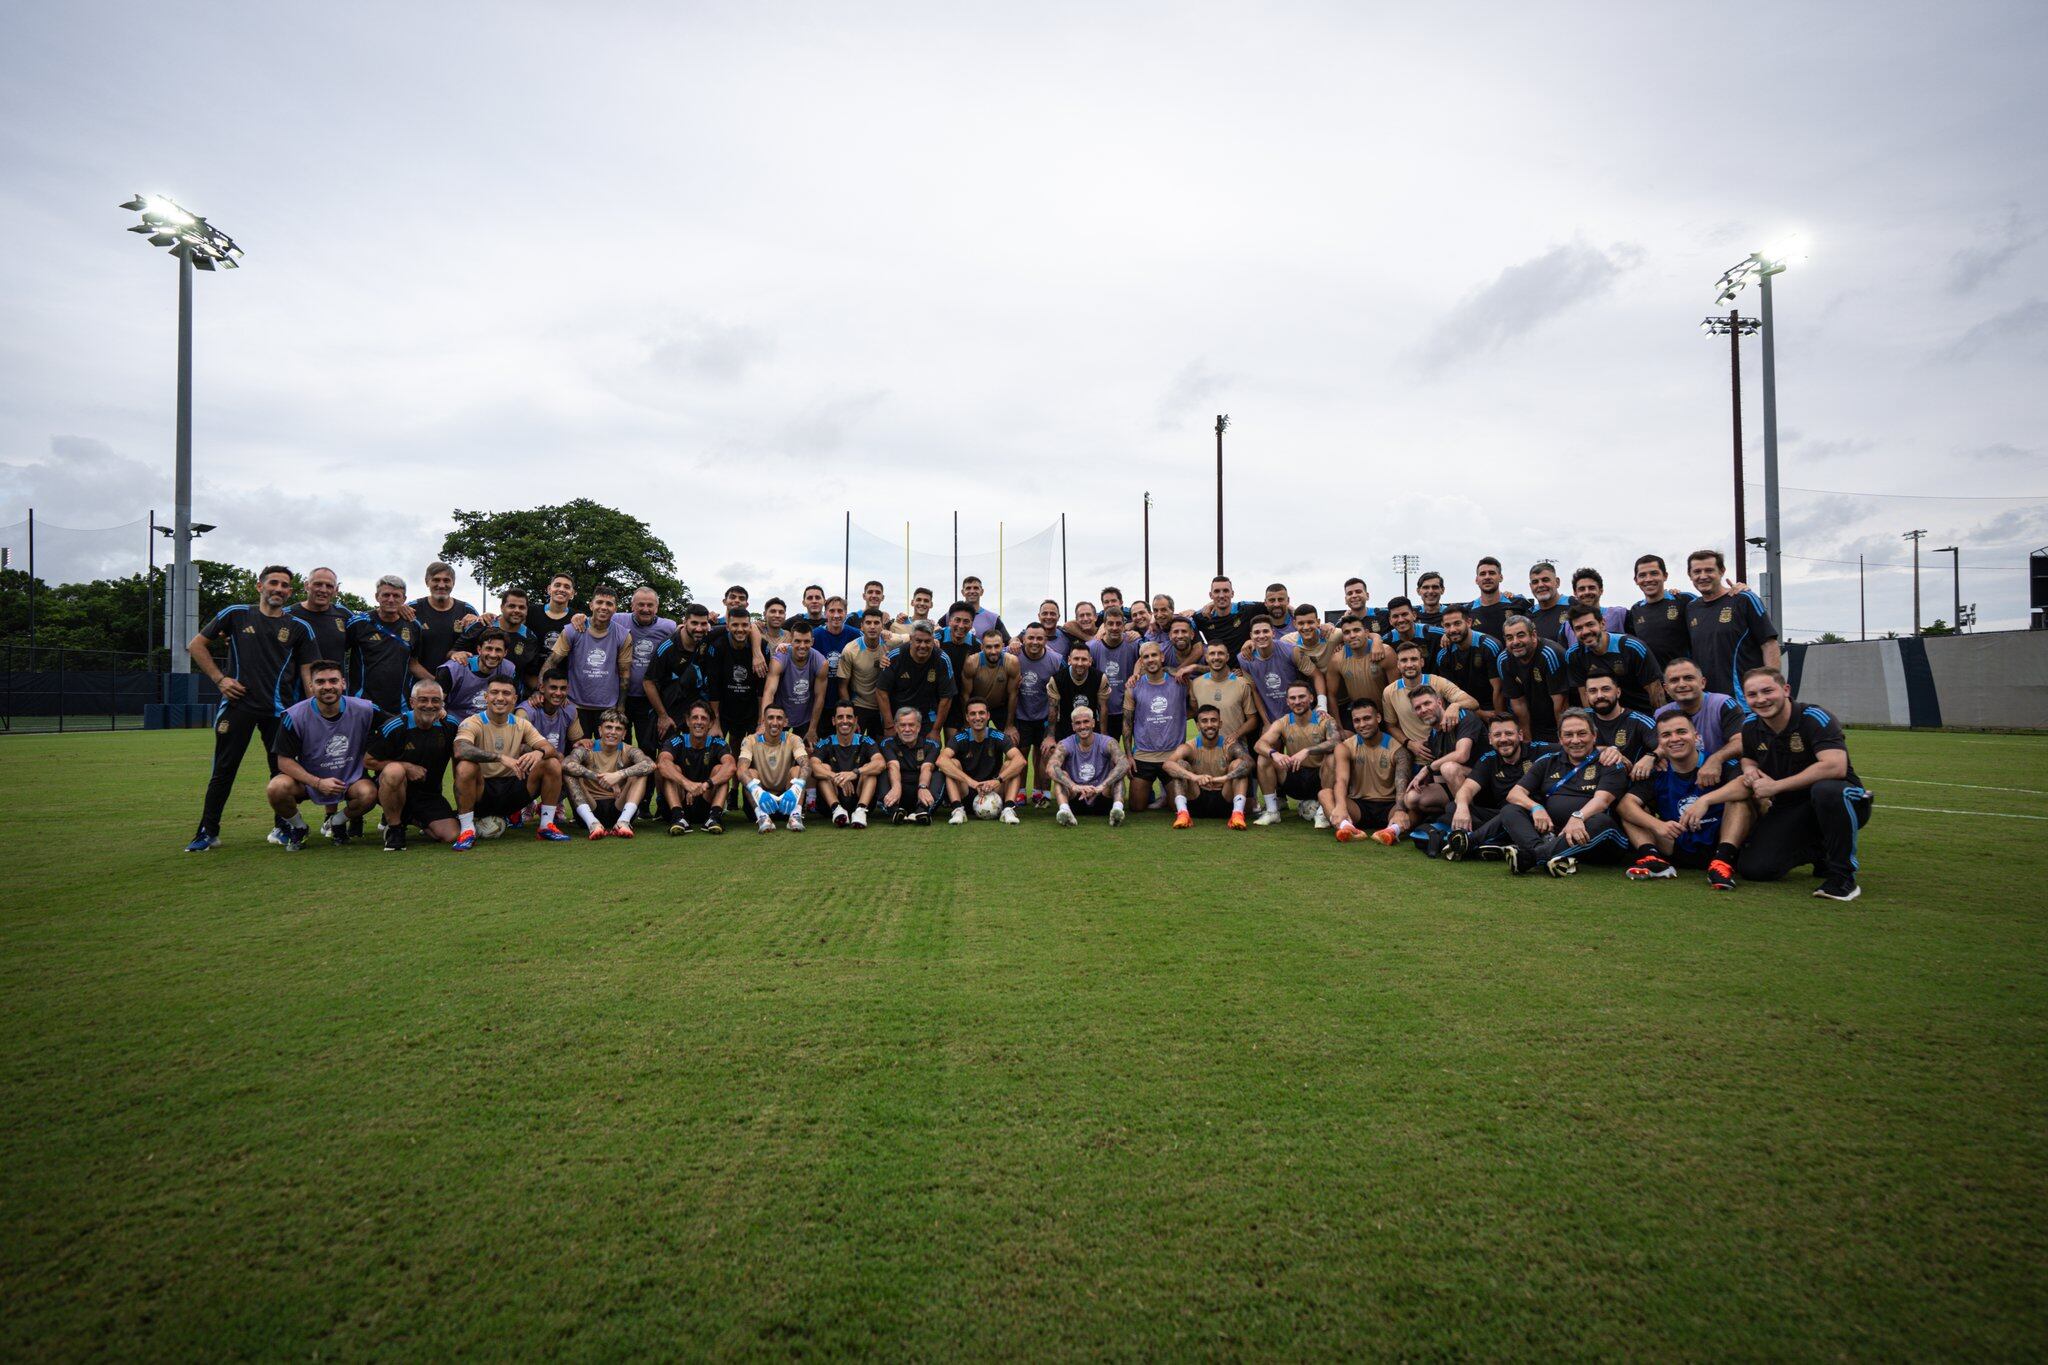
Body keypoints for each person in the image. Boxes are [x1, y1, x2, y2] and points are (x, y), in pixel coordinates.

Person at [184, 565, 319, 852]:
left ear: (290, 592)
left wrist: (311, 711)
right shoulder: (236, 614)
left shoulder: (298, 627)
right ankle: (208, 831)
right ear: (260, 586)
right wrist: (220, 680)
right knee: (223, 770)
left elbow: (308, 673)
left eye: (285, 586)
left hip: (279, 711)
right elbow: (196, 645)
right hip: (237, 705)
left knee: (281, 773)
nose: (279, 589)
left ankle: (283, 827)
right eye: (274, 583)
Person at [1734, 669, 1873, 901]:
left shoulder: (1814, 717)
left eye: (1768, 690)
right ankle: (1820, 851)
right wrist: (1749, 770)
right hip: (1792, 807)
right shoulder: (1750, 724)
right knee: (1755, 869)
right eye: (1752, 694)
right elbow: (1748, 757)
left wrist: (1776, 787)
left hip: (1843, 801)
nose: (1761, 699)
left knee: (1825, 790)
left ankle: (1843, 877)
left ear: (1786, 690)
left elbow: (1834, 766)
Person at [1616, 710, 1751, 890]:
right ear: (1660, 743)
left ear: (1696, 736)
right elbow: (1625, 805)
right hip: (1677, 843)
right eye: (1666, 735)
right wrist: (1659, 826)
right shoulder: (1659, 771)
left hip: (1719, 842)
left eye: (1681, 732)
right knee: (1631, 812)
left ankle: (1721, 864)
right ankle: (1653, 859)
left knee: (1740, 801)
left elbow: (1747, 786)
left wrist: (1706, 800)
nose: (1674, 739)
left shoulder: (1715, 764)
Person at [265, 660, 384, 849]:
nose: (327, 687)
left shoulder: (365, 709)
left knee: (368, 794)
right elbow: (283, 761)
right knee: (276, 789)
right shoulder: (294, 716)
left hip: (350, 780)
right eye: (320, 682)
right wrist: (317, 783)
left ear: (343, 683)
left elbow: (397, 726)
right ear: (311, 686)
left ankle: (337, 822)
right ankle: (299, 827)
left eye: (333, 681)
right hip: (310, 780)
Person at [1497, 709, 1630, 876]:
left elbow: (1602, 801)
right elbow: (1514, 794)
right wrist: (1536, 807)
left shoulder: (1609, 761)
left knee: (1600, 821)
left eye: (1582, 733)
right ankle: (1550, 855)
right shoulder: (1548, 761)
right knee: (1510, 810)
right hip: (1558, 836)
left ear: (1594, 736)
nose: (1575, 740)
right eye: (1568, 735)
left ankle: (1531, 857)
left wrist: (1578, 817)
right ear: (1560, 739)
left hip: (1599, 839)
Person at [452, 677, 567, 848]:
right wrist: (499, 757)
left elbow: (549, 748)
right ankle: (467, 830)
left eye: (506, 693)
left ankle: (546, 826)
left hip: (513, 788)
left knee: (551, 763)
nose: (500, 698)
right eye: (494, 692)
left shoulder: (521, 724)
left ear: (514, 699)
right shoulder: (473, 722)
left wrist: (539, 751)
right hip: (482, 791)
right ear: (486, 697)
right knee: (465, 766)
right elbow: (461, 750)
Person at [371, 677, 462, 851]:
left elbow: (457, 760)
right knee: (395, 771)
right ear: (412, 702)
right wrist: (406, 766)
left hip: (429, 795)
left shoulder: (450, 725)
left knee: (451, 835)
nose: (429, 705)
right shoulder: (396, 726)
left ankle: (411, 817)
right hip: (394, 787)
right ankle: (395, 828)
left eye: (435, 700)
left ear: (442, 703)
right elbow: (368, 760)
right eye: (423, 700)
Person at [1443, 716, 1549, 861]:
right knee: (1452, 807)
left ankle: (1470, 842)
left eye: (1509, 734)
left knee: (1510, 811)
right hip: (1501, 816)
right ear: (1490, 739)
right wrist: (1462, 807)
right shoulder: (1488, 759)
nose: (1503, 739)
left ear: (1520, 735)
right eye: (1497, 735)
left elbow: (1568, 750)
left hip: (1533, 813)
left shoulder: (1540, 750)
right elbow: (1467, 789)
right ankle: (1505, 841)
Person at [1687, 549, 1782, 702]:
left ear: (1722, 571)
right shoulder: (1691, 607)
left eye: (1709, 570)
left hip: (1744, 699)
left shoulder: (1743, 599)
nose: (1703, 576)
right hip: (1707, 701)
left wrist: (1772, 687)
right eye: (1697, 571)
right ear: (1690, 575)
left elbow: (1769, 644)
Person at [1398, 684, 1486, 846]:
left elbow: (1462, 754)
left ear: (1439, 703)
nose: (1423, 710)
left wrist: (1428, 767)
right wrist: (1427, 780)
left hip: (1485, 785)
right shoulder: (1433, 736)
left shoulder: (1464, 716)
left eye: (1427, 704)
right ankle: (1452, 817)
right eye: (1418, 707)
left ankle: (1471, 825)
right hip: (1459, 787)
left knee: (1449, 767)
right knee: (1411, 798)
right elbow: (1440, 781)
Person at [546, 585, 634, 739]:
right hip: (575, 705)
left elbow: (625, 674)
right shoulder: (573, 629)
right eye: (599, 602)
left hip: (608, 707)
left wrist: (620, 707)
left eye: (609, 604)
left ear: (615, 609)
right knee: (576, 753)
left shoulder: (623, 635)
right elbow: (551, 662)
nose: (604, 607)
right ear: (591, 605)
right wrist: (543, 692)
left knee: (607, 755)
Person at [1253, 682, 1338, 827]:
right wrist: (1275, 754)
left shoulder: (1325, 720)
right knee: (1263, 758)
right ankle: (1272, 811)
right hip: (1293, 776)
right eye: (1292, 698)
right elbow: (1259, 744)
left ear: (1311, 698)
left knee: (1332, 758)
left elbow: (1336, 741)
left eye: (1301, 697)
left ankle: (1323, 813)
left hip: (1319, 779)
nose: (1297, 702)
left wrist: (1307, 750)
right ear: (1287, 701)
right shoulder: (1283, 721)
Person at [1327, 699, 1411, 844]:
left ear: (1378, 718)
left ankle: (1392, 831)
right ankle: (1347, 828)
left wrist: (1399, 810)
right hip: (1359, 806)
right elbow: (1341, 780)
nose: (1362, 724)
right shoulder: (1345, 747)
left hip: (1389, 806)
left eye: (1367, 718)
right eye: (1357, 720)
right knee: (1325, 794)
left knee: (1413, 801)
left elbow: (1401, 786)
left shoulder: (1398, 750)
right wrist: (1341, 806)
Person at [344, 574, 433, 713]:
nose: (391, 600)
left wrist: (438, 682)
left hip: (400, 705)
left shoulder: (414, 626)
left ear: (404, 599)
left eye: (396, 595)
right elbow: (338, 653)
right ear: (377, 597)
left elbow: (413, 663)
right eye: (386, 595)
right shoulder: (358, 623)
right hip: (362, 703)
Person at [1380, 641, 1480, 762]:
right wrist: (1409, 744)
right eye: (1404, 660)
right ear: (1398, 665)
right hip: (1417, 757)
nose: (1409, 664)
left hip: (1447, 752)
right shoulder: (1389, 692)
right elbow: (1390, 726)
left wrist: (1455, 705)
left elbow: (1472, 702)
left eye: (1414, 659)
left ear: (1421, 662)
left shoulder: (1438, 682)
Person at [564, 709, 655, 839]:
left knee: (640, 772)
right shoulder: (586, 749)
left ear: (624, 734)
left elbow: (650, 764)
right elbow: (566, 765)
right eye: (608, 727)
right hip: (591, 806)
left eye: (618, 729)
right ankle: (593, 824)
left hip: (619, 806)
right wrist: (599, 777)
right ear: (600, 730)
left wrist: (619, 775)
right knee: (570, 773)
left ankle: (623, 822)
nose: (613, 732)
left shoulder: (629, 750)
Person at [1656, 658, 1746, 786]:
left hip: (1723, 770)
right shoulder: (1661, 714)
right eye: (1674, 680)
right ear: (1666, 689)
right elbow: (1660, 745)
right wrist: (1652, 756)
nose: (1682, 684)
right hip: (1683, 774)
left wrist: (1715, 759)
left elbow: (1741, 742)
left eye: (1688, 678)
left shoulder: (1722, 704)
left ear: (1702, 682)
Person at [1162, 703, 1252, 828]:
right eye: (1204, 721)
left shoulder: (1229, 745)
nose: (1209, 725)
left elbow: (1249, 762)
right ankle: (1183, 814)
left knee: (1240, 764)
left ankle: (1237, 815)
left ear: (1220, 724)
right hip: (1196, 799)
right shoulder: (1189, 747)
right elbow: (1167, 764)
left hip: (1224, 801)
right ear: (1198, 726)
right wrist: (1194, 777)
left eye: (1213, 720)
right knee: (1180, 765)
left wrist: (1225, 778)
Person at [1123, 641, 1188, 812]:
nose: (1151, 660)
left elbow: (1195, 705)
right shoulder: (1134, 686)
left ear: (1162, 657)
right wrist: (1129, 755)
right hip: (1144, 755)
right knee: (1136, 807)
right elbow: (1127, 722)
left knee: (1178, 808)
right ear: (1141, 661)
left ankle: (1168, 795)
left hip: (1172, 755)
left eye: (1154, 655)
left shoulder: (1179, 681)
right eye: (1146, 657)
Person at [1564, 602, 1663, 713]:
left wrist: (1661, 721)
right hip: (1606, 718)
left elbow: (1656, 691)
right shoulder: (1574, 655)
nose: (1585, 631)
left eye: (1590, 624)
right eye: (1578, 628)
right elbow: (1585, 696)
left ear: (1602, 624)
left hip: (1643, 713)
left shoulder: (1632, 647)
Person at [938, 699, 1026, 824]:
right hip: (967, 791)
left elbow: (1020, 760)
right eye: (973, 714)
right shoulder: (960, 737)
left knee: (1011, 765)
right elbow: (941, 761)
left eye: (981, 713)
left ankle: (1008, 809)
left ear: (988, 716)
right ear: (967, 717)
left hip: (994, 791)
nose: (977, 717)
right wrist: (972, 782)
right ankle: (958, 809)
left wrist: (997, 781)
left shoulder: (997, 735)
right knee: (952, 763)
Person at [657, 702, 733, 835]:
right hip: (679, 801)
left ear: (710, 724)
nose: (699, 722)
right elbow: (662, 763)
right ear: (687, 721)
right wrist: (687, 784)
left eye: (703, 718)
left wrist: (706, 785)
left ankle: (714, 817)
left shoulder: (717, 743)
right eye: (695, 717)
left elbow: (731, 766)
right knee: (671, 769)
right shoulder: (677, 740)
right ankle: (678, 818)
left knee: (720, 769)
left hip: (706, 802)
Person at [622, 587, 679, 758]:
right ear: (632, 605)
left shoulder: (669, 626)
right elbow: (594, 620)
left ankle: (646, 785)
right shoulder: (618, 619)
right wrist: (578, 617)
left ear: (657, 607)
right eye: (640, 604)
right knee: (619, 749)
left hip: (649, 700)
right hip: (620, 697)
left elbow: (690, 634)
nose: (645, 609)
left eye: (650, 605)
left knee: (647, 748)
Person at [1498, 614, 1571, 745]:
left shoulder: (1551, 654)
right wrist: (1527, 740)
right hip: (1533, 722)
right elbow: (1518, 702)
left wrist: (1563, 739)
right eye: (1509, 638)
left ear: (1533, 635)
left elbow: (1561, 705)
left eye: (1521, 635)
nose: (1515, 642)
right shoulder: (1504, 660)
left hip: (1558, 721)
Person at [1012, 623, 1065, 804]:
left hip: (1044, 715)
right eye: (1031, 638)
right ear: (1023, 639)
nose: (1035, 642)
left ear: (1046, 640)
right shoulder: (1012, 654)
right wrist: (1011, 640)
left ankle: (1041, 792)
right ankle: (1019, 791)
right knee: (1020, 754)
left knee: (1044, 753)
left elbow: (1065, 683)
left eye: (1039, 638)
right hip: (1020, 715)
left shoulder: (1056, 660)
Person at [642, 604, 712, 740]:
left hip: (695, 711)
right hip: (670, 710)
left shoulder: (707, 638)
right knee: (667, 753)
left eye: (703, 624)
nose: (699, 628)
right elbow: (648, 682)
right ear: (685, 622)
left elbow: (731, 627)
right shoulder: (668, 647)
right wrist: (663, 716)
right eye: (694, 623)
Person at [810, 702, 885, 827]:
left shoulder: (865, 741)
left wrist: (854, 773)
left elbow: (880, 763)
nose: (845, 721)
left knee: (869, 769)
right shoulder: (825, 743)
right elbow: (814, 766)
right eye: (840, 717)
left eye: (849, 717)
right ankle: (837, 809)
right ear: (834, 721)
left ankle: (861, 811)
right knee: (824, 769)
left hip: (859, 797)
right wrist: (836, 777)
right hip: (832, 801)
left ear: (855, 720)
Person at [1051, 706, 1129, 825]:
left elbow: (1124, 763)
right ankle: (1065, 811)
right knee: (1060, 776)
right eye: (1078, 723)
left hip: (1102, 796)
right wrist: (1074, 786)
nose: (1082, 726)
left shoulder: (1107, 742)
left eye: (1086, 721)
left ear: (1093, 723)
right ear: (1073, 726)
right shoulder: (1065, 744)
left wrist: (1102, 786)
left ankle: (1117, 810)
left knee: (1117, 775)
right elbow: (1051, 767)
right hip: (1076, 797)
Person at [738, 703, 809, 832]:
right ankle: (762, 817)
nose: (775, 722)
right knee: (749, 773)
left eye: (779, 718)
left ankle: (795, 816)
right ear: (763, 721)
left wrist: (797, 787)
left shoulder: (793, 739)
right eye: (770, 718)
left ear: (786, 721)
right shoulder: (750, 740)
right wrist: (756, 791)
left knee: (798, 770)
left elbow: (806, 765)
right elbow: (741, 770)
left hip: (787, 801)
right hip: (760, 800)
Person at [878, 622, 957, 737]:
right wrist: (889, 726)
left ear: (933, 640)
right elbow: (881, 692)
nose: (923, 645)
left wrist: (936, 730)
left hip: (927, 716)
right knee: (893, 752)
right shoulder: (895, 657)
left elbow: (947, 697)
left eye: (927, 641)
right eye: (919, 641)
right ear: (911, 639)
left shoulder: (942, 659)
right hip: (898, 716)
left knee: (930, 751)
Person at [702, 608, 768, 741]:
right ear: (727, 626)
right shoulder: (718, 646)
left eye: (744, 625)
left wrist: (761, 720)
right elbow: (713, 686)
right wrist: (715, 721)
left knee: (753, 750)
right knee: (717, 745)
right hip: (725, 707)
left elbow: (762, 687)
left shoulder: (761, 647)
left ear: (750, 626)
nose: (740, 629)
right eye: (735, 625)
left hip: (751, 708)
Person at [1433, 603, 1508, 720]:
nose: (1452, 629)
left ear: (1468, 622)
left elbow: (1498, 689)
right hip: (1465, 708)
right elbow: (1453, 694)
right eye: (1447, 625)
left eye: (1457, 623)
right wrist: (1480, 714)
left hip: (1494, 706)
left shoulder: (1489, 645)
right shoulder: (1443, 656)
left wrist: (1498, 720)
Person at [1188, 640, 1262, 752]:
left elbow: (1253, 720)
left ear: (1227, 657)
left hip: (1236, 746)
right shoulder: (1196, 684)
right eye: (1212, 654)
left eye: (1220, 653)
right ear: (1206, 657)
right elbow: (1195, 711)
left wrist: (1236, 735)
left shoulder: (1242, 683)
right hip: (1206, 748)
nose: (1216, 657)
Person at [1326, 614, 1394, 731]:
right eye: (1347, 632)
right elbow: (1331, 695)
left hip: (1387, 716)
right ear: (1343, 637)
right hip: (1358, 718)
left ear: (1366, 633)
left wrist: (1393, 723)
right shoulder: (1336, 659)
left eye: (1356, 630)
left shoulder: (1385, 652)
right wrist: (1339, 727)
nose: (1352, 635)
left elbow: (1397, 691)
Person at [1582, 675, 1659, 777]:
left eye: (1605, 689)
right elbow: (1561, 748)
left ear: (1618, 692)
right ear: (1586, 696)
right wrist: (1607, 751)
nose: (1599, 695)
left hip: (1630, 783)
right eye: (1593, 691)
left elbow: (1666, 744)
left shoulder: (1639, 721)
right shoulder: (1580, 718)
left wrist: (1652, 756)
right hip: (1584, 784)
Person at [763, 628, 829, 747]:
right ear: (791, 641)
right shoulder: (780, 658)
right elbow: (769, 691)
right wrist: (764, 723)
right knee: (775, 754)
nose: (802, 646)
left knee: (807, 754)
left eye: (806, 641)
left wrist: (812, 729)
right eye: (797, 641)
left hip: (805, 717)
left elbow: (820, 697)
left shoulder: (821, 662)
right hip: (780, 714)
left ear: (812, 642)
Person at [409, 561, 480, 671]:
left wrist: (479, 620)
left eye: (446, 580)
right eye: (436, 580)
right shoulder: (412, 609)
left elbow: (481, 646)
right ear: (427, 582)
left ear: (453, 583)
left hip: (457, 682)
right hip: (420, 683)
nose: (441, 585)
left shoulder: (467, 610)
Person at [1627, 554, 1696, 665]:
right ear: (1636, 580)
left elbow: (1711, 604)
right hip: (1653, 680)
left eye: (1654, 573)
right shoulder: (1635, 610)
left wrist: (1733, 591)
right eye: (1642, 575)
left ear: (1665, 576)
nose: (1648, 579)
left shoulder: (1685, 600)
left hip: (1682, 677)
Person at [1087, 608, 1143, 741]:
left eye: (1118, 624)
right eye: (1110, 624)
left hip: (1130, 709)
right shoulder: (1092, 647)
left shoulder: (1133, 643)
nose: (1114, 627)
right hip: (1103, 712)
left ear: (1124, 626)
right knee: (1107, 755)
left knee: (1138, 750)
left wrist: (1136, 673)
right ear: (1104, 626)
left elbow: (1148, 656)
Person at [837, 608, 893, 739]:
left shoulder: (891, 643)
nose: (872, 627)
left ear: (882, 626)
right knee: (855, 748)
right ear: (861, 626)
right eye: (868, 623)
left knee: (883, 748)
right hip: (859, 706)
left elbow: (913, 637)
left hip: (884, 706)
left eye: (876, 623)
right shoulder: (850, 650)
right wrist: (849, 714)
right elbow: (842, 686)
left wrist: (935, 640)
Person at [1237, 616, 1303, 728]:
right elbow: (1254, 691)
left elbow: (1312, 676)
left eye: (1265, 631)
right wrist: (1266, 723)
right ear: (1251, 636)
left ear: (1273, 633)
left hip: (1297, 714)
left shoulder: (1290, 650)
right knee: (1263, 745)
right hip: (1272, 719)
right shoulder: (1244, 658)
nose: (1261, 635)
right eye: (1257, 632)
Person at [880, 708, 943, 825]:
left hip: (921, 792)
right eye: (902, 725)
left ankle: (921, 811)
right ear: (896, 727)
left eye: (911, 725)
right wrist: (896, 786)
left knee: (939, 775)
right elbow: (893, 766)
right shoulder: (887, 743)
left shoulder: (932, 745)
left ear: (918, 727)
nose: (907, 729)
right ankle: (894, 812)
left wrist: (922, 787)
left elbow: (927, 768)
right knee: (882, 774)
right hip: (897, 792)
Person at [436, 629, 516, 720]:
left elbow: (510, 704)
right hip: (454, 722)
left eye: (498, 650)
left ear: (505, 653)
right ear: (479, 649)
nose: (493, 654)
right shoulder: (453, 669)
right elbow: (436, 703)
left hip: (489, 723)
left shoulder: (509, 669)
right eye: (489, 648)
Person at [960, 627, 1020, 741]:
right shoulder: (972, 662)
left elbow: (1013, 694)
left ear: (1003, 645)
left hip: (1001, 707)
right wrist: (967, 722)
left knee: (1012, 740)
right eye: (988, 647)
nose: (993, 651)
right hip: (977, 706)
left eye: (997, 646)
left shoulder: (1012, 662)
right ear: (982, 647)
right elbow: (965, 695)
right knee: (974, 742)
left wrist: (1010, 726)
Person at [810, 595, 864, 716]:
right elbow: (798, 646)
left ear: (845, 613)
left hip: (849, 698)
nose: (836, 615)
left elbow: (873, 644)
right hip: (821, 699)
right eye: (832, 611)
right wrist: (785, 647)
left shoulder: (855, 634)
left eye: (840, 611)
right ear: (825, 613)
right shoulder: (815, 635)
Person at [1046, 640, 1106, 748]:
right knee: (1049, 751)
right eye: (1076, 659)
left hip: (1091, 728)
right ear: (1069, 660)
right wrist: (1050, 737)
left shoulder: (1100, 678)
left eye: (1084, 659)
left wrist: (1104, 736)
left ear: (1090, 661)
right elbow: (1053, 709)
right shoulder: (1057, 679)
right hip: (1065, 727)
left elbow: (1103, 708)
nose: (1079, 663)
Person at [289, 567, 349, 664]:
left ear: (336, 590)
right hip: (298, 678)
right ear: (306, 586)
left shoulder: (344, 614)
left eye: (329, 586)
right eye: (318, 584)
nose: (323, 590)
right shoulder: (288, 614)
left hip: (335, 678)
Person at [1190, 575, 1261, 656]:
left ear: (1232, 593)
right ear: (1210, 595)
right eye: (1217, 591)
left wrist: (1254, 640)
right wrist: (1189, 612)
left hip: (1244, 666)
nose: (1221, 595)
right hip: (1216, 665)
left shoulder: (1245, 609)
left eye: (1225, 591)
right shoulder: (1202, 616)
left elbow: (1271, 606)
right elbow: (1181, 624)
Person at [519, 673, 583, 758]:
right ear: (542, 688)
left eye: (563, 688)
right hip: (530, 763)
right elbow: (519, 746)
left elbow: (577, 744)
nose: (558, 693)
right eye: (553, 688)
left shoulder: (569, 710)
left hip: (558, 763)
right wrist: (551, 754)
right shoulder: (526, 711)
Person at [1466, 556, 1533, 639]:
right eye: (1483, 574)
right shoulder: (1468, 611)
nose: (1487, 577)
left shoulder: (1519, 603)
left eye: (1492, 573)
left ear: (1501, 577)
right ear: (1476, 580)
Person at [1567, 568, 1631, 641]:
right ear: (1575, 593)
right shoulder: (1567, 627)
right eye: (1582, 589)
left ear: (1601, 591)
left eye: (1591, 588)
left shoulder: (1619, 615)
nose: (1587, 592)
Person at [1526, 561, 1572, 643]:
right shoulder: (1528, 615)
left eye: (1545, 580)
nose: (1540, 585)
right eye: (1535, 582)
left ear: (1557, 582)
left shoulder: (1574, 606)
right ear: (1530, 586)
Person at [535, 573, 577, 656]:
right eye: (557, 585)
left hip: (564, 668)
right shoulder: (531, 612)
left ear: (572, 594)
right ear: (549, 589)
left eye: (567, 587)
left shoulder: (578, 619)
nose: (561, 589)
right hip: (532, 668)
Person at [961, 575, 1007, 640]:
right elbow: (940, 631)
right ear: (963, 592)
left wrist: (1014, 641)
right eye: (968, 588)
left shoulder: (993, 618)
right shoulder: (951, 615)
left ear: (982, 592)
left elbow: (1008, 641)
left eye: (976, 588)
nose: (972, 591)